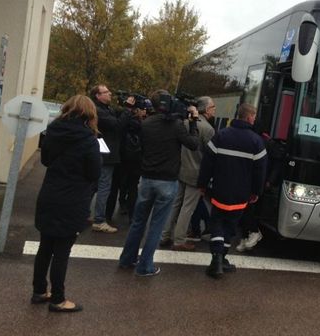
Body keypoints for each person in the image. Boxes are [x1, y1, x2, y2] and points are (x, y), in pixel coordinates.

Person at [32, 95, 101, 313]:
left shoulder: (53, 130)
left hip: (50, 193)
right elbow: (94, 172)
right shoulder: (89, 139)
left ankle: (39, 291)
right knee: (62, 251)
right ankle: (58, 299)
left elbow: (45, 160)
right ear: (89, 114)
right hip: (73, 199)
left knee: (45, 247)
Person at [118, 90, 199, 277]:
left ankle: (127, 259)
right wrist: (193, 121)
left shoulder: (145, 124)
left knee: (138, 222)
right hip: (167, 180)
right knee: (156, 225)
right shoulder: (176, 125)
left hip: (146, 178)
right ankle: (145, 266)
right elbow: (193, 144)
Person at [198, 103, 267, 279]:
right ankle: (222, 259)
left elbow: (207, 162)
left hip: (219, 191)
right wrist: (256, 192)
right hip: (241, 195)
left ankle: (216, 259)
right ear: (250, 117)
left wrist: (203, 184)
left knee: (217, 224)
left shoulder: (221, 135)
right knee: (229, 226)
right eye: (254, 115)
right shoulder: (256, 141)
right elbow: (260, 171)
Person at [160, 96, 216, 251]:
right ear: (205, 109)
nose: (214, 110)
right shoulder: (208, 129)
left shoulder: (184, 123)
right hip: (196, 172)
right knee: (188, 207)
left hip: (181, 168)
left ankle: (164, 235)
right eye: (212, 107)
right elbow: (210, 154)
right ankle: (179, 240)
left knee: (175, 204)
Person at [89, 84, 131, 233]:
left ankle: (85, 213)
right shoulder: (98, 110)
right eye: (106, 92)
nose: (110, 94)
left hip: (102, 152)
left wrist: (123, 107)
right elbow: (117, 125)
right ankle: (99, 220)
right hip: (106, 154)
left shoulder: (105, 109)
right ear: (97, 96)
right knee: (103, 187)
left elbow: (115, 114)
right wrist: (128, 109)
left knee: (93, 185)